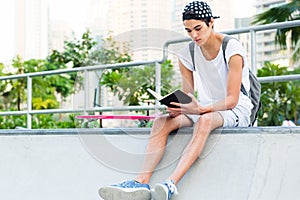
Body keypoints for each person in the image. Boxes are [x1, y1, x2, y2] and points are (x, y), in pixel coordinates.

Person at [98, 1, 253, 200]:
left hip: (235, 110)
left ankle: (170, 183)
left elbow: (232, 99)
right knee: (162, 121)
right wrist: (178, 107)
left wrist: (200, 110)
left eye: (198, 28)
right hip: (204, 109)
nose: (194, 35)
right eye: (188, 30)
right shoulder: (187, 53)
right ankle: (141, 182)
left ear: (211, 23)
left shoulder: (232, 48)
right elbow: (188, 95)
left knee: (205, 120)